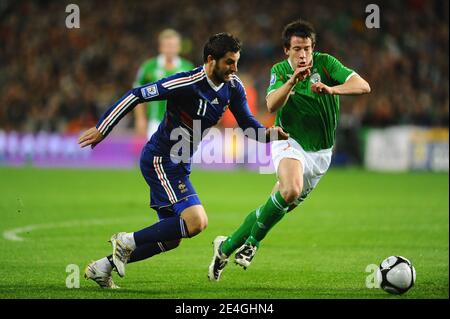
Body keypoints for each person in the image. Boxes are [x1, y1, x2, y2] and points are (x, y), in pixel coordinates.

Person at [78, 33, 288, 289]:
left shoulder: (233, 87)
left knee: (171, 238)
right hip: (160, 160)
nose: (234, 69)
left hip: (179, 166)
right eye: (229, 62)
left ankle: (103, 267)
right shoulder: (186, 82)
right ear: (211, 60)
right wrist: (104, 128)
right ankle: (126, 241)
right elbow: (136, 95)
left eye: (236, 62)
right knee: (196, 222)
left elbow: (247, 125)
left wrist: (270, 135)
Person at [208, 19, 371, 281]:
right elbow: (272, 105)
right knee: (290, 189)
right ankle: (252, 245)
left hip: (321, 155)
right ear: (287, 50)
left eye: (307, 48)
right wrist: (293, 81)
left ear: (313, 48)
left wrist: (332, 89)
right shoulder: (281, 71)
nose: (303, 54)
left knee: (274, 207)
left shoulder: (327, 64)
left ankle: (225, 247)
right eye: (296, 49)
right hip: (288, 141)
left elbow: (363, 86)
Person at [133, 29, 194, 139]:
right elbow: (136, 94)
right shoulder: (148, 67)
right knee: (155, 155)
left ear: (179, 47)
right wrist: (140, 118)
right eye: (167, 45)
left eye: (173, 45)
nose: (170, 49)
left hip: (181, 122)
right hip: (156, 121)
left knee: (179, 155)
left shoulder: (188, 67)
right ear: (160, 47)